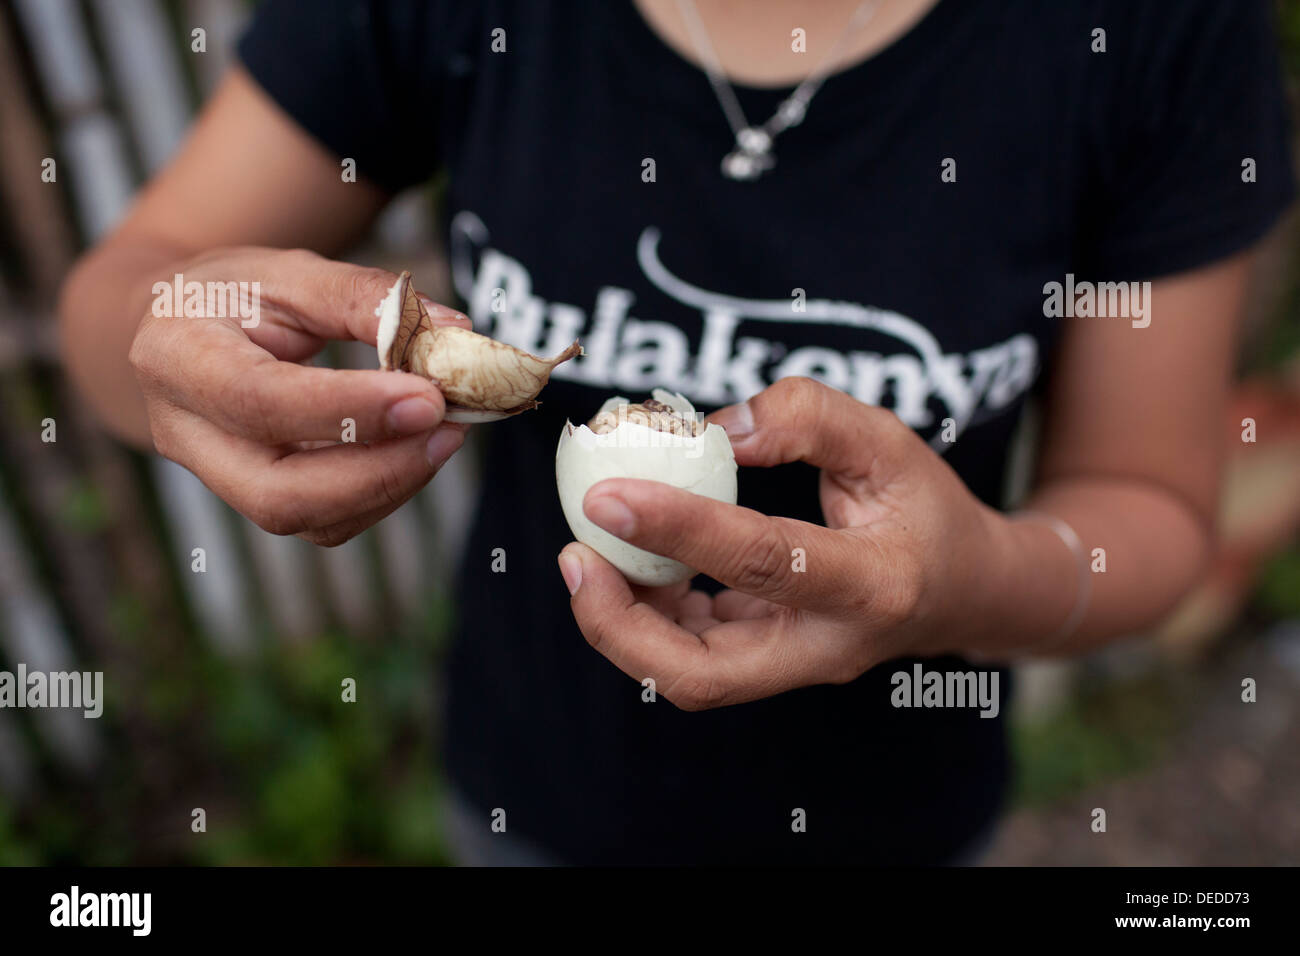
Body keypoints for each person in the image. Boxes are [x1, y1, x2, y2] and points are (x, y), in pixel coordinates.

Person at [59, 0, 1295, 865]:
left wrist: (965, 579)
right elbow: (124, 293)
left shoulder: (1153, 24)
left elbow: (1148, 509)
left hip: (899, 822)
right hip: (532, 799)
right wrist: (171, 342)